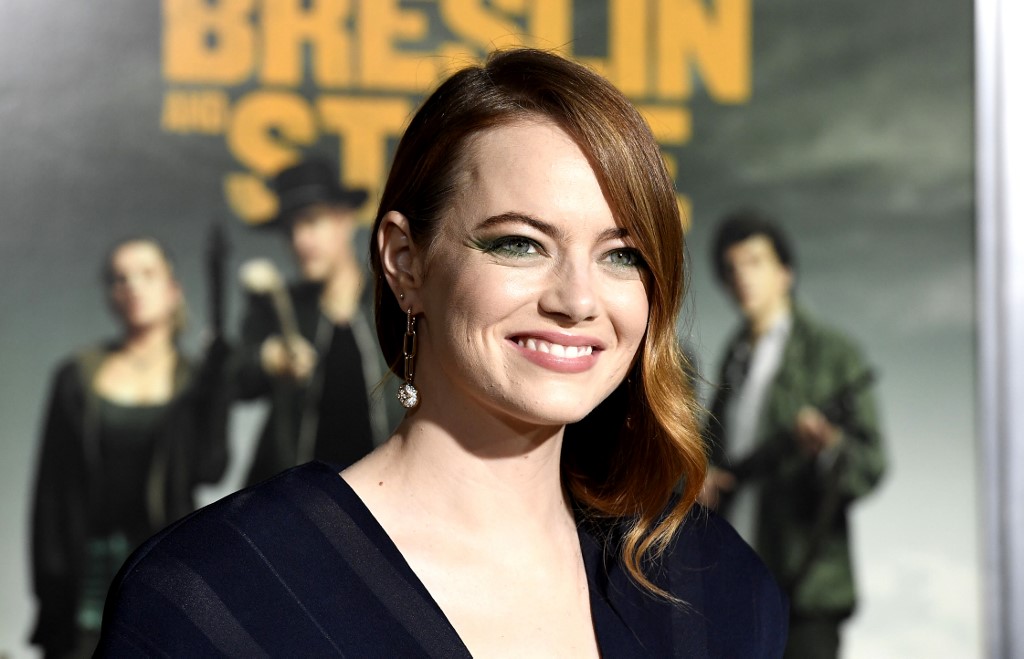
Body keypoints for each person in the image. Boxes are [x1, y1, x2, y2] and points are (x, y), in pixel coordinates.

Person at [96, 49, 787, 657]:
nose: (578, 299)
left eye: (622, 254)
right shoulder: (220, 596)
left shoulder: (714, 588)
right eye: (520, 243)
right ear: (405, 262)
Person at [699, 210, 887, 659]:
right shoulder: (734, 357)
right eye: (732, 268)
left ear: (785, 272)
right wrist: (703, 476)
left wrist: (829, 449)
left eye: (755, 262)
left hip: (807, 584)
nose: (743, 277)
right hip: (737, 578)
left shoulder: (832, 353)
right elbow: (712, 450)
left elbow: (870, 465)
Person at [30, 238, 229, 658]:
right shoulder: (76, 377)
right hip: (84, 573)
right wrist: (51, 587)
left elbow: (211, 467)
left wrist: (218, 383)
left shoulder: (195, 379)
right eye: (120, 278)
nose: (133, 286)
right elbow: (50, 493)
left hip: (164, 568)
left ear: (173, 290)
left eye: (147, 274)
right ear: (111, 295)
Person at [235, 158, 396, 485]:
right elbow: (237, 378)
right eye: (290, 229)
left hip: (385, 497)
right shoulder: (280, 307)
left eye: (311, 222)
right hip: (295, 499)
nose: (299, 240)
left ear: (345, 220)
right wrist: (269, 358)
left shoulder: (394, 303)